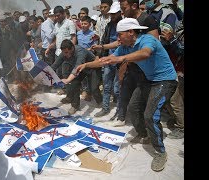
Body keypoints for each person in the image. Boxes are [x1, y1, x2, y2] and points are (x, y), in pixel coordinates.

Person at [76, 18, 177, 172]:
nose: (118, 38)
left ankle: (160, 152)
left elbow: (146, 53)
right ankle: (146, 134)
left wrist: (121, 58)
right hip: (149, 81)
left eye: (120, 34)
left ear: (131, 32)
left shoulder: (147, 39)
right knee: (133, 109)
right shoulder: (124, 46)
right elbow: (107, 60)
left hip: (165, 80)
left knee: (150, 115)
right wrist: (86, 65)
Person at [51, 39, 102, 115]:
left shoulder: (80, 52)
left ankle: (100, 101)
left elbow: (77, 68)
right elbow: (55, 65)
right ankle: (75, 105)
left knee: (94, 88)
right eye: (64, 52)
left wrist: (68, 80)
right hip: (81, 69)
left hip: (92, 68)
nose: (65, 55)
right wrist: (45, 74)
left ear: (72, 48)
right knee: (74, 83)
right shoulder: (64, 53)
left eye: (67, 52)